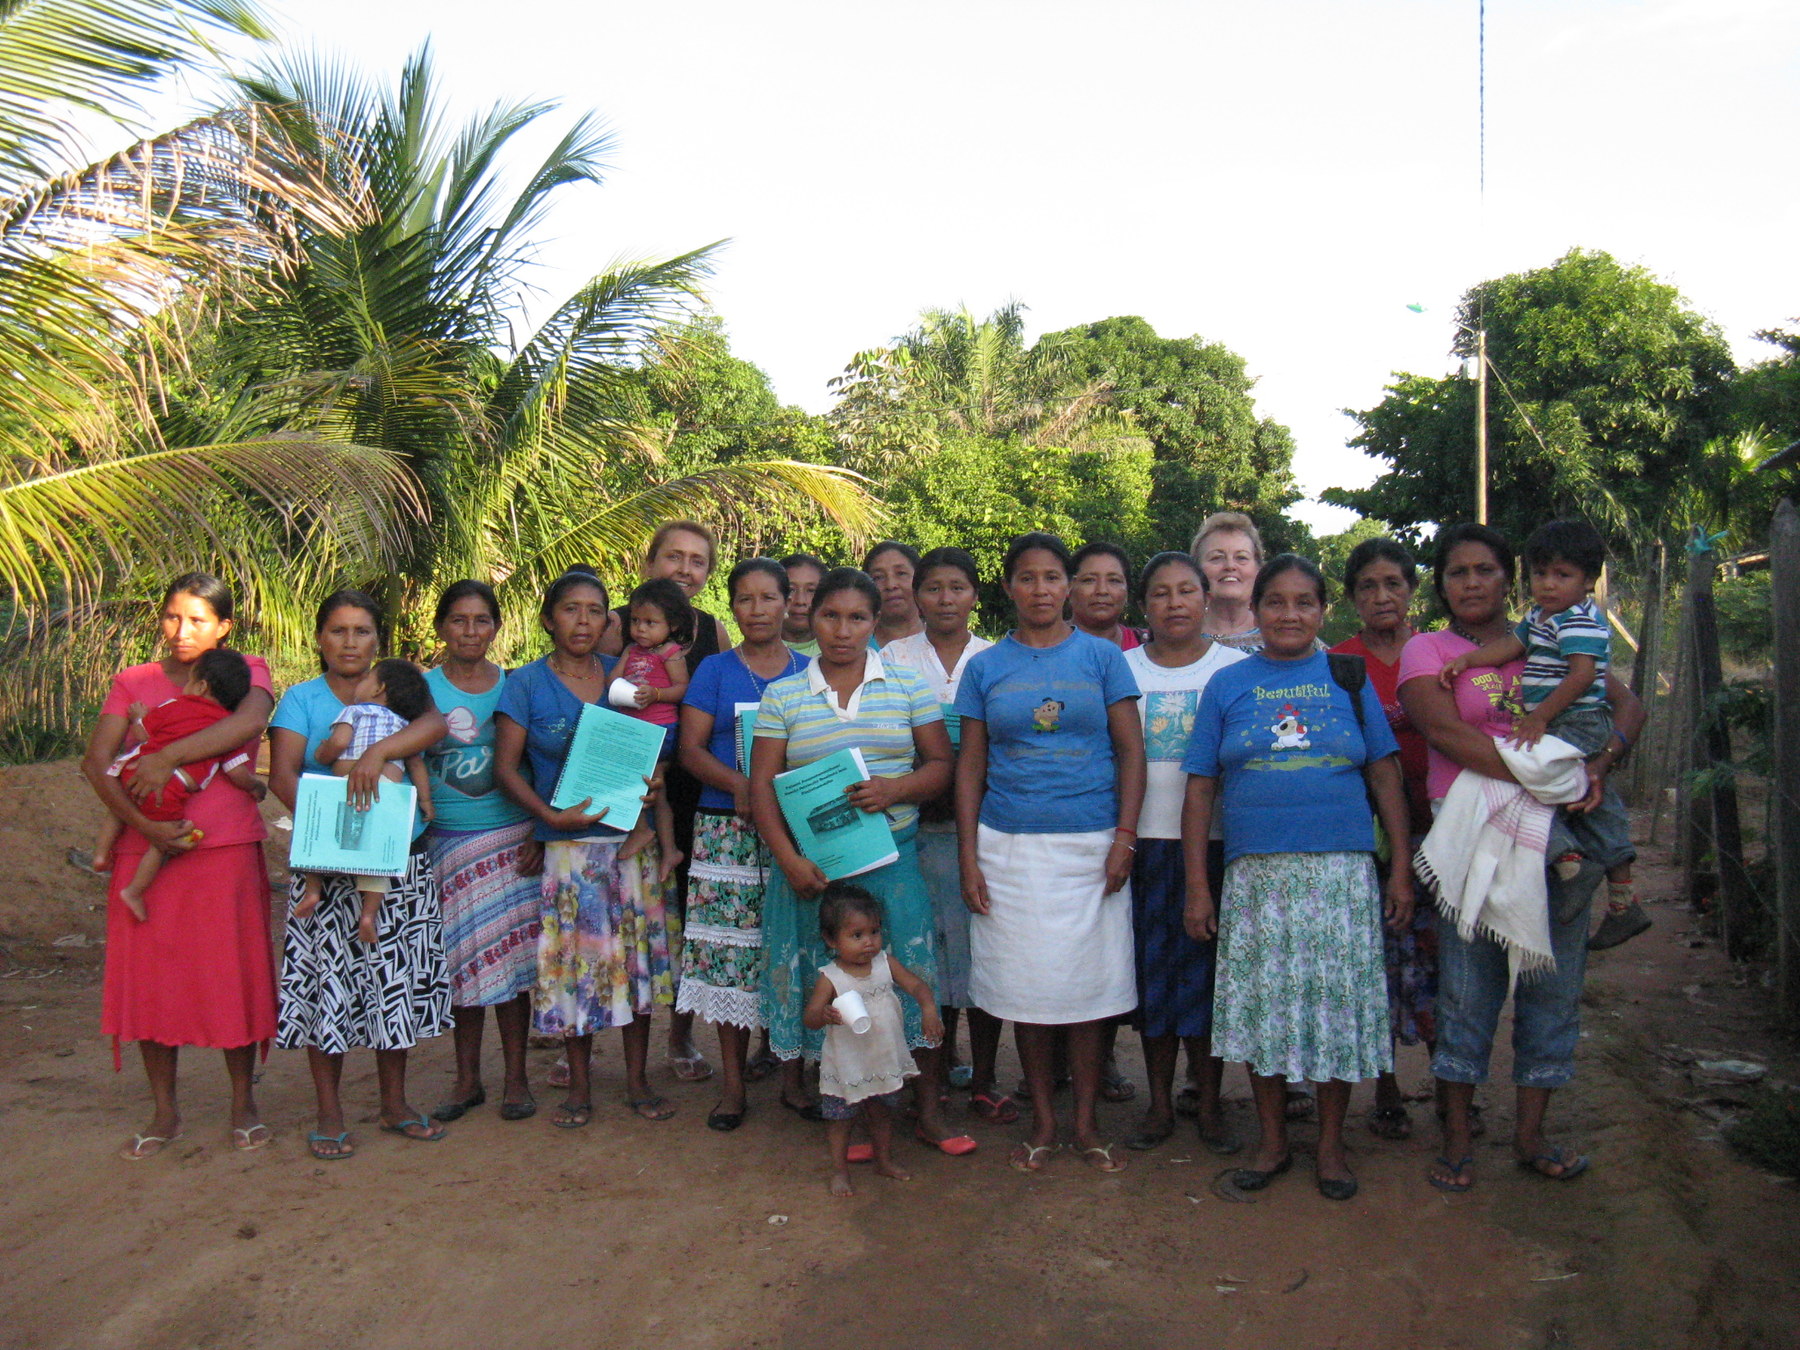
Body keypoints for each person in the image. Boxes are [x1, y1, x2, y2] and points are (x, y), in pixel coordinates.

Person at [1397, 523, 1646, 1193]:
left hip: (1564, 838)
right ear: (1441, 584)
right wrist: (1552, 778)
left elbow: (1627, 705)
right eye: (1457, 572)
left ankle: (1532, 1136)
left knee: (1552, 990)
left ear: (1510, 577)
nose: (1472, 582)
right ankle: (1457, 1137)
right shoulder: (1429, 650)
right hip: (1473, 836)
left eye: (1485, 569)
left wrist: (1600, 765)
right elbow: (1444, 732)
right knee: (1467, 990)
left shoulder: (1553, 632)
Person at [1181, 555, 1414, 1202]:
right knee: (1266, 1008)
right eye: (1276, 602)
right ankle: (1273, 1141)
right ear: (1256, 611)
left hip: (1341, 872)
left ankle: (1331, 1146)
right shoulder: (1227, 685)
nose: (1289, 615)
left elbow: (1384, 774)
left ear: (1322, 611)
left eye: (1304, 602)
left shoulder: (1347, 675)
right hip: (1257, 876)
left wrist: (1398, 868)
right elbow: (1200, 789)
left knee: (1335, 1006)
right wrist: (1197, 885)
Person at [750, 567, 973, 1154]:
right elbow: (761, 787)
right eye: (830, 616)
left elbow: (941, 766)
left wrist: (895, 789)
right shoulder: (784, 695)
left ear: (875, 622)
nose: (842, 630)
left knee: (909, 978)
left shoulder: (907, 685)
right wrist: (788, 861)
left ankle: (926, 1111)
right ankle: (846, 1113)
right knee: (832, 993)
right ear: (810, 618)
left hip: (892, 865)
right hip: (813, 874)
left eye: (856, 618)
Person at [955, 532, 1146, 1174]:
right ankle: (1042, 1120)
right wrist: (969, 856)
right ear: (1008, 587)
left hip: (1092, 846)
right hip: (1009, 849)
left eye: (1053, 577)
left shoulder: (1103, 658)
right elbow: (970, 766)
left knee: (1090, 990)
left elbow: (1131, 752)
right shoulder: (985, 667)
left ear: (1068, 586)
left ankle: (1086, 1123)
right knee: (1027, 990)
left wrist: (1124, 838)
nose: (1041, 589)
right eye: (1027, 578)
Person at [83, 574, 278, 1159]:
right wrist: (145, 829)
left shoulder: (247, 670)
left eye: (197, 619)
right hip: (145, 850)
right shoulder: (133, 681)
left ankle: (243, 1103)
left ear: (224, 627)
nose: (181, 630)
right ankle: (164, 1110)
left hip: (225, 851)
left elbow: (248, 724)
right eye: (173, 616)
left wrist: (165, 756)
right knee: (151, 982)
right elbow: (97, 763)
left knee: (230, 975)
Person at [269, 589, 454, 1160]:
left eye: (362, 631)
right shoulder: (300, 700)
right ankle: (330, 1112)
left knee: (390, 983)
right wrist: (335, 835)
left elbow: (435, 727)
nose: (350, 642)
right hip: (326, 865)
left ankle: (394, 1103)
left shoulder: (401, 687)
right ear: (319, 638)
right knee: (326, 987)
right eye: (338, 631)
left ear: (378, 639)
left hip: (396, 860)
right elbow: (282, 775)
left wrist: (377, 754)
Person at [495, 568, 676, 1128]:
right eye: (570, 609)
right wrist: (548, 817)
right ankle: (579, 1086)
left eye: (595, 611)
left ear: (607, 622)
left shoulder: (624, 675)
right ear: (548, 619)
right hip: (569, 850)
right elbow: (506, 768)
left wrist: (654, 783)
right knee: (577, 965)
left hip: (630, 844)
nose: (583, 621)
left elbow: (655, 736)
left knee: (634, 962)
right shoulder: (525, 684)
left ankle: (638, 1080)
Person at [1438, 519, 1645, 950]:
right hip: (1561, 721)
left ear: (1588, 581)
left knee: (1536, 779)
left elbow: (1582, 676)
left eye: (1562, 575)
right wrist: (1469, 660)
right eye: (1540, 574)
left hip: (1579, 722)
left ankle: (1578, 867)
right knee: (1583, 802)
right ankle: (1609, 890)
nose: (1548, 584)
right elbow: (1511, 647)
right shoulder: (1540, 616)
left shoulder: (1580, 620)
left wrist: (1540, 718)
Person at [1119, 551, 1247, 1155]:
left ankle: (1210, 1099)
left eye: (1186, 591)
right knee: (1154, 978)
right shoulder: (1122, 670)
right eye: (1161, 593)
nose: (1174, 603)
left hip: (1217, 846)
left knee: (1208, 978)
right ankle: (1159, 1103)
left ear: (1206, 599)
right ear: (1144, 605)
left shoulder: (1235, 670)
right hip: (1143, 843)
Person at [676, 558, 810, 1130]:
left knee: (792, 948)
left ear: (787, 603)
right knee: (729, 959)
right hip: (725, 829)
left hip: (795, 826)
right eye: (745, 599)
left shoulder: (811, 670)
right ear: (732, 607)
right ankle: (733, 1086)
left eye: (768, 598)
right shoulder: (714, 669)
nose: (757, 610)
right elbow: (690, 749)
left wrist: (778, 793)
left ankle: (794, 1079)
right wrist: (743, 787)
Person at [601, 520, 730, 1081]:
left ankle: (680, 1037)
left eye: (697, 560)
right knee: (611, 908)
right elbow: (596, 691)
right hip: (622, 776)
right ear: (649, 561)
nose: (685, 569)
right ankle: (583, 1034)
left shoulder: (714, 630)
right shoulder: (615, 624)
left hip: (688, 782)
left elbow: (721, 711)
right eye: (674, 556)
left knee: (687, 909)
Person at [878, 546, 1005, 1114]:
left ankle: (985, 1073)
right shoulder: (893, 656)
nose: (945, 599)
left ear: (975, 595)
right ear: (917, 596)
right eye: (933, 588)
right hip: (913, 825)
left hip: (980, 827)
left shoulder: (994, 658)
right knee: (927, 947)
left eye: (957, 587)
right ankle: (939, 1058)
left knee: (981, 949)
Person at [1330, 537, 1442, 1141]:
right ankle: (1387, 1089)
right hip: (1368, 838)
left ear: (1411, 590)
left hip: (1445, 831)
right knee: (1376, 964)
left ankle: (1451, 1086)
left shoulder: (1439, 655)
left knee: (1442, 962)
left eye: (1393, 584)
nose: (1381, 596)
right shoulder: (1338, 663)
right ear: (1352, 597)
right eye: (1368, 586)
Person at [422, 580, 542, 1124]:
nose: (470, 631)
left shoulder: (515, 687)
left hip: (512, 843)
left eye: (481, 621)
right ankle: (467, 1079)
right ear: (441, 627)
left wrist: (539, 833)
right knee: (461, 967)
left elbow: (534, 764)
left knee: (514, 968)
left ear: (495, 628)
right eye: (459, 620)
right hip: (447, 845)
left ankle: (516, 1079)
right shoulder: (421, 689)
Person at [803, 883, 944, 1195]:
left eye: (874, 932)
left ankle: (883, 1160)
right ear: (831, 940)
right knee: (840, 1120)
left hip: (882, 1059)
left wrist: (929, 1008)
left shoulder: (885, 964)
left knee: (882, 1113)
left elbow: (917, 985)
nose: (868, 942)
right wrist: (824, 1014)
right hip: (846, 1065)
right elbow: (810, 1017)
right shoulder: (831, 977)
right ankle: (839, 1171)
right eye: (857, 935)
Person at [102, 648, 262, 921]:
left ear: (200, 687)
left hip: (133, 772)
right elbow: (237, 773)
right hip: (169, 792)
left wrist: (138, 716)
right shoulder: (225, 730)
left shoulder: (172, 706)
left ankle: (100, 852)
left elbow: (142, 733)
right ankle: (135, 891)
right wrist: (255, 787)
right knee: (165, 841)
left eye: (189, 680)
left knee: (121, 804)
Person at [291, 658, 436, 944]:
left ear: (378, 688)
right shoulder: (403, 725)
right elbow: (416, 764)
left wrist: (322, 754)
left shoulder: (353, 711)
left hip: (347, 788)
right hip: (386, 793)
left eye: (367, 678)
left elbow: (338, 742)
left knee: (320, 838)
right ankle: (369, 914)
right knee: (377, 855)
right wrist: (426, 801)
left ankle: (313, 891)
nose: (361, 683)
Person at [618, 577, 694, 881]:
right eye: (635, 621)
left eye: (650, 622)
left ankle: (642, 830)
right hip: (636, 729)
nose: (641, 629)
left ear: (672, 624)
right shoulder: (631, 650)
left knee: (639, 780)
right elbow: (613, 679)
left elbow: (683, 688)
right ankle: (670, 849)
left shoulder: (670, 653)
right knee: (656, 792)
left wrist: (657, 694)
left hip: (659, 729)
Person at [1191, 511, 1265, 652]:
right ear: (1196, 570)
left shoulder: (1282, 635)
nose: (1230, 566)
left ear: (1258, 569)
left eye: (1241, 557)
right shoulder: (1177, 638)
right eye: (1216, 558)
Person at [1070, 541, 1144, 650]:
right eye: (1089, 580)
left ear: (1127, 591)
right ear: (1069, 588)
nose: (1102, 590)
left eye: (1114, 580)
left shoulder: (1149, 647)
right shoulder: (1045, 644)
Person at [864, 540, 924, 647]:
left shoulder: (945, 642)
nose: (890, 585)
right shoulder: (856, 648)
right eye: (878, 577)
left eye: (901, 573)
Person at [780, 553, 827, 657]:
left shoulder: (838, 653)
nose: (800, 601)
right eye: (791, 590)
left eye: (811, 590)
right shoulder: (755, 652)